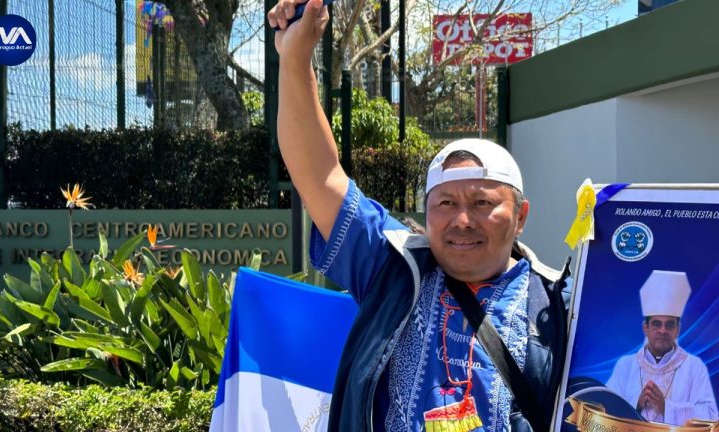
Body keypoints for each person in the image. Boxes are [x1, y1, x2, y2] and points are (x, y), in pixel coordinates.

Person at [267, 1, 570, 431]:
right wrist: (296, 59)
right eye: (445, 204)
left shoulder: (559, 305)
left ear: (520, 216)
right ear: (426, 214)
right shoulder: (391, 268)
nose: (462, 220)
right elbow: (320, 175)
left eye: (482, 203)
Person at [606, 270, 718, 425]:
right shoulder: (625, 365)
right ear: (645, 328)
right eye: (657, 324)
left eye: (669, 325)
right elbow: (605, 408)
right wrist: (635, 404)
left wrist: (667, 408)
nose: (663, 330)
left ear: (678, 329)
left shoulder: (694, 367)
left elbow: (711, 417)